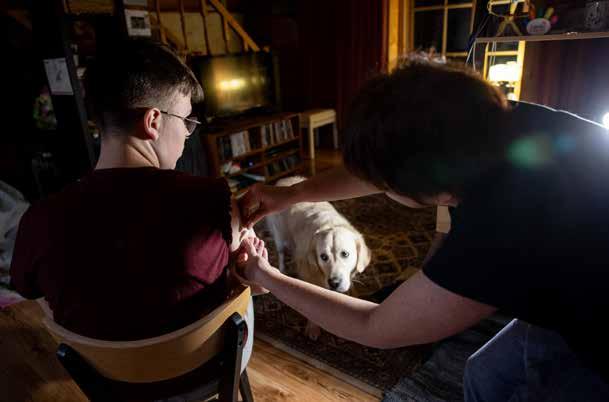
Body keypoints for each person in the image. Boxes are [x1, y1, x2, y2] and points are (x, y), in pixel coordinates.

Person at [235, 56, 609, 401]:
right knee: (485, 375)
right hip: (579, 267)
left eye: (384, 185)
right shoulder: (486, 116)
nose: (376, 185)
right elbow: (384, 164)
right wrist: (293, 194)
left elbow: (374, 326)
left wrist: (265, 274)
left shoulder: (494, 233)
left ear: (436, 194)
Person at [10, 40, 257, 364]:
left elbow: (30, 292)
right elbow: (237, 277)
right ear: (153, 121)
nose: (187, 135)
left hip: (102, 380)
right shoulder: (214, 199)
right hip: (202, 370)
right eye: (186, 121)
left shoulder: (38, 218)